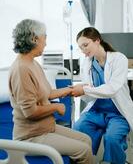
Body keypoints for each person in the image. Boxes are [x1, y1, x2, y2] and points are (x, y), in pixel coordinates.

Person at [8, 19, 93, 164]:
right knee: (83, 150)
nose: (46, 42)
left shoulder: (33, 63)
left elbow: (47, 93)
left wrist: (71, 89)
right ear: (34, 39)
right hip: (31, 136)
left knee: (86, 139)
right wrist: (56, 107)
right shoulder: (21, 69)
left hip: (47, 128)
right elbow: (30, 112)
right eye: (44, 37)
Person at [72, 27, 133, 164]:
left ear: (97, 41)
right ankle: (85, 160)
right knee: (78, 130)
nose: (83, 50)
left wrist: (84, 90)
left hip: (118, 113)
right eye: (80, 48)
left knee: (111, 139)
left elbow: (112, 89)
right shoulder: (87, 64)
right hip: (96, 111)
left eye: (85, 45)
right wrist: (80, 91)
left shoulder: (119, 59)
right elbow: (89, 95)